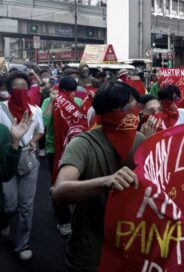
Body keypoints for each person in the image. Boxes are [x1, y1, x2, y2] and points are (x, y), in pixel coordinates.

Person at [51, 81, 145, 272]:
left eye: (137, 107)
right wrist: (106, 181)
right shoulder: (82, 144)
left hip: (131, 245)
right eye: (130, 108)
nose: (136, 113)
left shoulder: (140, 139)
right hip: (92, 252)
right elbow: (59, 191)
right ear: (110, 112)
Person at [0, 71, 44, 260]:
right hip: (6, 158)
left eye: (24, 87)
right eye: (16, 87)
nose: (20, 90)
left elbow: (40, 131)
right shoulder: (1, 109)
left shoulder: (36, 110)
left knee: (26, 206)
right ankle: (4, 219)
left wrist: (33, 140)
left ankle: (21, 244)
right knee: (9, 205)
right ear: (9, 90)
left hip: (28, 158)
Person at [41, 76, 85, 236]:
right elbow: (44, 123)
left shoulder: (78, 103)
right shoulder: (49, 101)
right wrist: (52, 103)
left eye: (74, 91)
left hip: (74, 147)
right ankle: (64, 219)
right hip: (54, 148)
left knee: (73, 181)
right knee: (57, 181)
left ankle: (67, 208)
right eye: (69, 92)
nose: (72, 95)